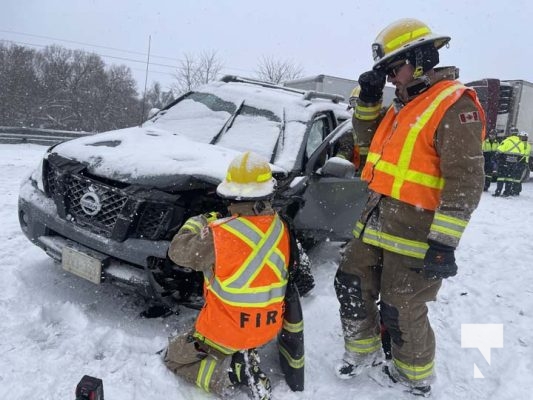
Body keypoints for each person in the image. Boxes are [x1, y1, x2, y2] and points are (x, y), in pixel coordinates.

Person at [334, 18, 485, 397]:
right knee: (350, 282)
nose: (390, 79)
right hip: (377, 220)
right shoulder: (404, 105)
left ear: (420, 61)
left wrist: (444, 244)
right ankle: (363, 353)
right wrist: (368, 104)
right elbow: (369, 149)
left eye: (392, 69)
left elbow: (465, 180)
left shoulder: (453, 104)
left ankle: (412, 376)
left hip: (417, 233)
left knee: (400, 308)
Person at [163, 151, 293, 400]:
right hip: (267, 327)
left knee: (173, 358)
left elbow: (177, 252)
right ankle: (243, 352)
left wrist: (199, 222)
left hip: (226, 328)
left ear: (230, 193)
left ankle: (232, 373)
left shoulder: (218, 234)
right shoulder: (282, 227)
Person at [494, 127, 523, 197]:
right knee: (509, 178)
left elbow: (499, 151)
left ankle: (498, 192)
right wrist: (514, 160)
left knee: (501, 177)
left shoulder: (507, 141)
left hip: (504, 162)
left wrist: (497, 158)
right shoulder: (521, 143)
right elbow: (522, 155)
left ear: (511, 133)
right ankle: (506, 193)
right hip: (513, 164)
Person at [515, 131, 531, 195]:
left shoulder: (522, 144)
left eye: (522, 137)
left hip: (521, 162)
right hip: (523, 162)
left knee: (517, 177)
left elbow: (521, 153)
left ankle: (516, 190)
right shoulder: (527, 144)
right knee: (518, 177)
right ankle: (517, 190)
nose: (521, 138)